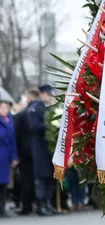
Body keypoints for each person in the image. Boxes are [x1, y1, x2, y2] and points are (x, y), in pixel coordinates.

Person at [27, 85, 56, 216]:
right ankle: (41, 204)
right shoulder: (34, 108)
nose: (49, 96)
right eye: (47, 94)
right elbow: (34, 127)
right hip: (40, 148)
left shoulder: (51, 108)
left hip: (50, 148)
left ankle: (49, 203)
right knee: (41, 179)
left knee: (51, 178)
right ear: (41, 94)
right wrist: (49, 124)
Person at [13, 88, 36, 216]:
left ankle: (26, 206)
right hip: (32, 151)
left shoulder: (21, 115)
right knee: (31, 179)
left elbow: (16, 135)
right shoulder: (33, 112)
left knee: (26, 179)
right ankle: (30, 204)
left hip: (23, 152)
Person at [0, 98, 18, 218]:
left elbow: (13, 140)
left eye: (7, 107)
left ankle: (2, 208)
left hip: (6, 154)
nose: (5, 110)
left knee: (5, 183)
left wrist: (14, 157)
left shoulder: (9, 120)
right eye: (2, 107)